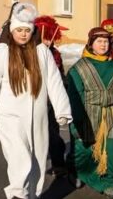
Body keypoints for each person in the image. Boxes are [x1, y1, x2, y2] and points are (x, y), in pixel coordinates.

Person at [0, 2, 72, 199]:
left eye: (27, 30)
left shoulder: (42, 53)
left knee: (37, 159)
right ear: (12, 31)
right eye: (19, 30)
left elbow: (54, 82)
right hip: (10, 117)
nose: (23, 34)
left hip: (38, 117)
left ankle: (31, 195)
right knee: (19, 156)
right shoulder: (2, 52)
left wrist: (62, 110)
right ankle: (17, 193)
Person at [66, 27, 113, 198]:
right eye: (99, 41)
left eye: (106, 41)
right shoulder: (80, 68)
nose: (103, 45)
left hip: (109, 116)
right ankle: (77, 171)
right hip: (87, 114)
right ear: (91, 43)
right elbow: (74, 96)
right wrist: (76, 122)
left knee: (110, 151)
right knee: (84, 151)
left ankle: (108, 183)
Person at [33, 15, 71, 178]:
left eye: (52, 38)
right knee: (40, 133)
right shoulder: (33, 52)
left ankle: (58, 163)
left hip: (50, 100)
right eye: (47, 38)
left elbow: (58, 76)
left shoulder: (53, 54)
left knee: (51, 132)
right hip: (35, 98)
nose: (49, 42)